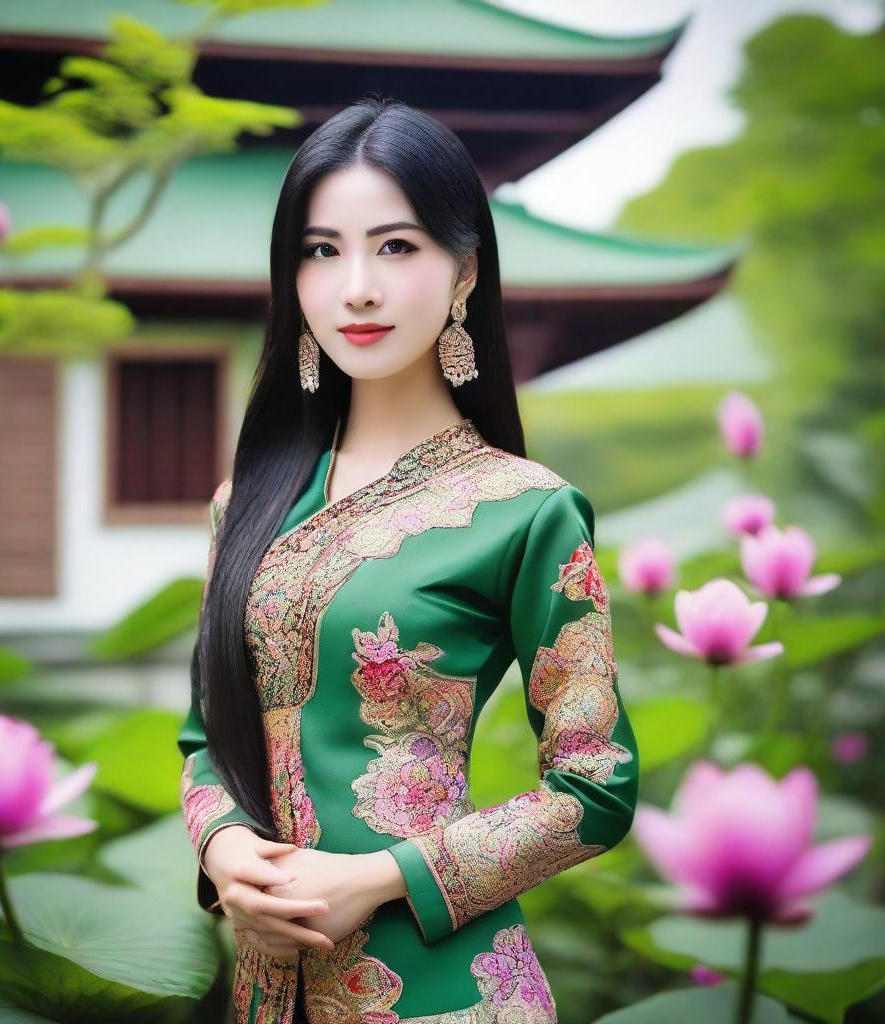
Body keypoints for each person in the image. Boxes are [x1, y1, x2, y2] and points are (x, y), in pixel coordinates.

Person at [177, 95, 639, 1024]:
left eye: (396, 247)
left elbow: (594, 786)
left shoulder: (527, 511)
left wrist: (378, 878)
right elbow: (204, 740)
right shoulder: (247, 503)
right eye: (322, 250)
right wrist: (223, 847)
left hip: (446, 989)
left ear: (464, 272)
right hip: (267, 991)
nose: (357, 287)